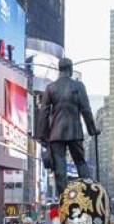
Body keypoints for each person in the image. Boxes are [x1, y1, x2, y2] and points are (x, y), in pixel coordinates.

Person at [40, 57, 99, 195]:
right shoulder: (79, 86)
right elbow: (86, 109)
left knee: (60, 169)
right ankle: (88, 196)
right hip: (74, 132)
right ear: (70, 69)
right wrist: (92, 130)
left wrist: (43, 135)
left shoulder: (50, 88)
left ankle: (64, 200)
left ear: (59, 70)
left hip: (56, 134)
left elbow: (43, 113)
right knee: (80, 163)